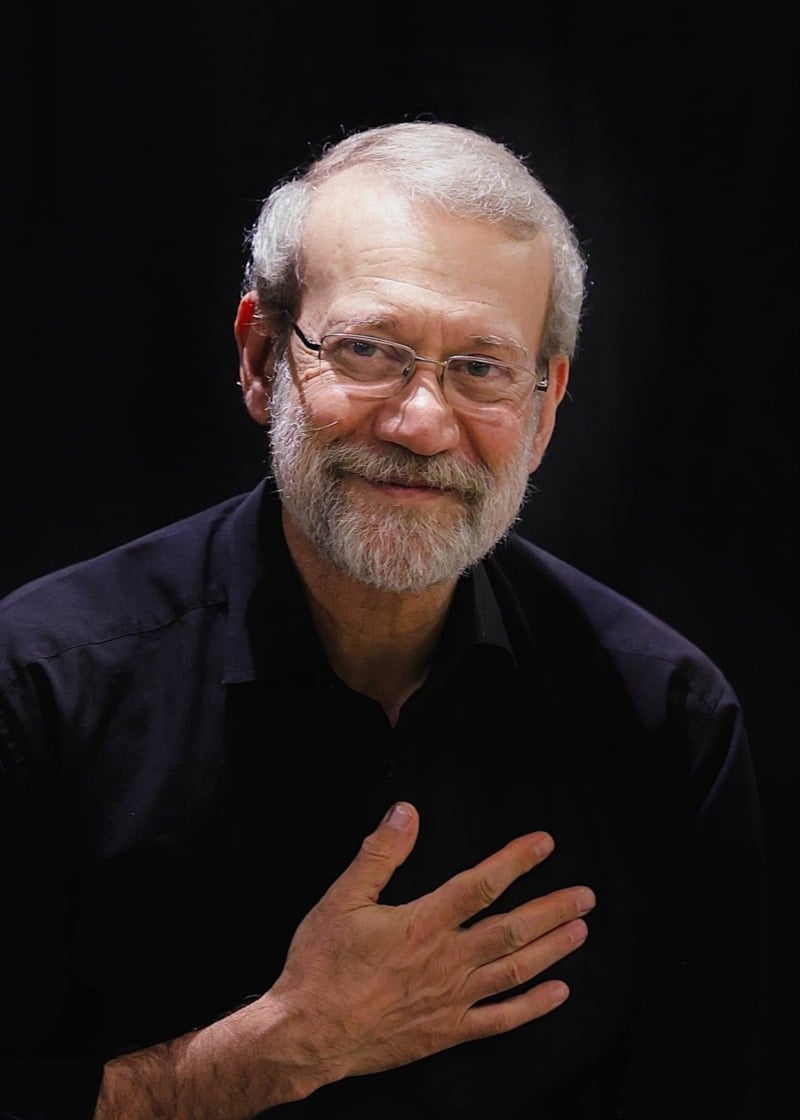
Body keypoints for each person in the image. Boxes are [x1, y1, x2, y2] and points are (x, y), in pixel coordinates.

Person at [0, 120, 767, 1120]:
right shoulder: (39, 687)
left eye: (481, 368)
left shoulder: (667, 722)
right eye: (368, 350)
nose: (420, 422)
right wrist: (273, 1051)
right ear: (262, 358)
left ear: (544, 409)